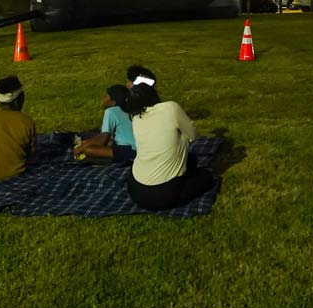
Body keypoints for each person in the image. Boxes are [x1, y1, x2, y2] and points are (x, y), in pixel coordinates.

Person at [124, 73, 215, 211]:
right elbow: (192, 134)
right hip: (165, 194)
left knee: (191, 161)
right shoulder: (170, 108)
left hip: (136, 189)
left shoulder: (136, 118)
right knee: (206, 177)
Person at [73, 84, 136, 162]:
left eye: (106, 96)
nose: (103, 98)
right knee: (108, 143)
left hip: (130, 151)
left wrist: (82, 148)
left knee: (89, 150)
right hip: (140, 148)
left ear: (113, 102)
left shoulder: (111, 112)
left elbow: (102, 140)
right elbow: (105, 137)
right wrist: (86, 142)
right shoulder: (131, 110)